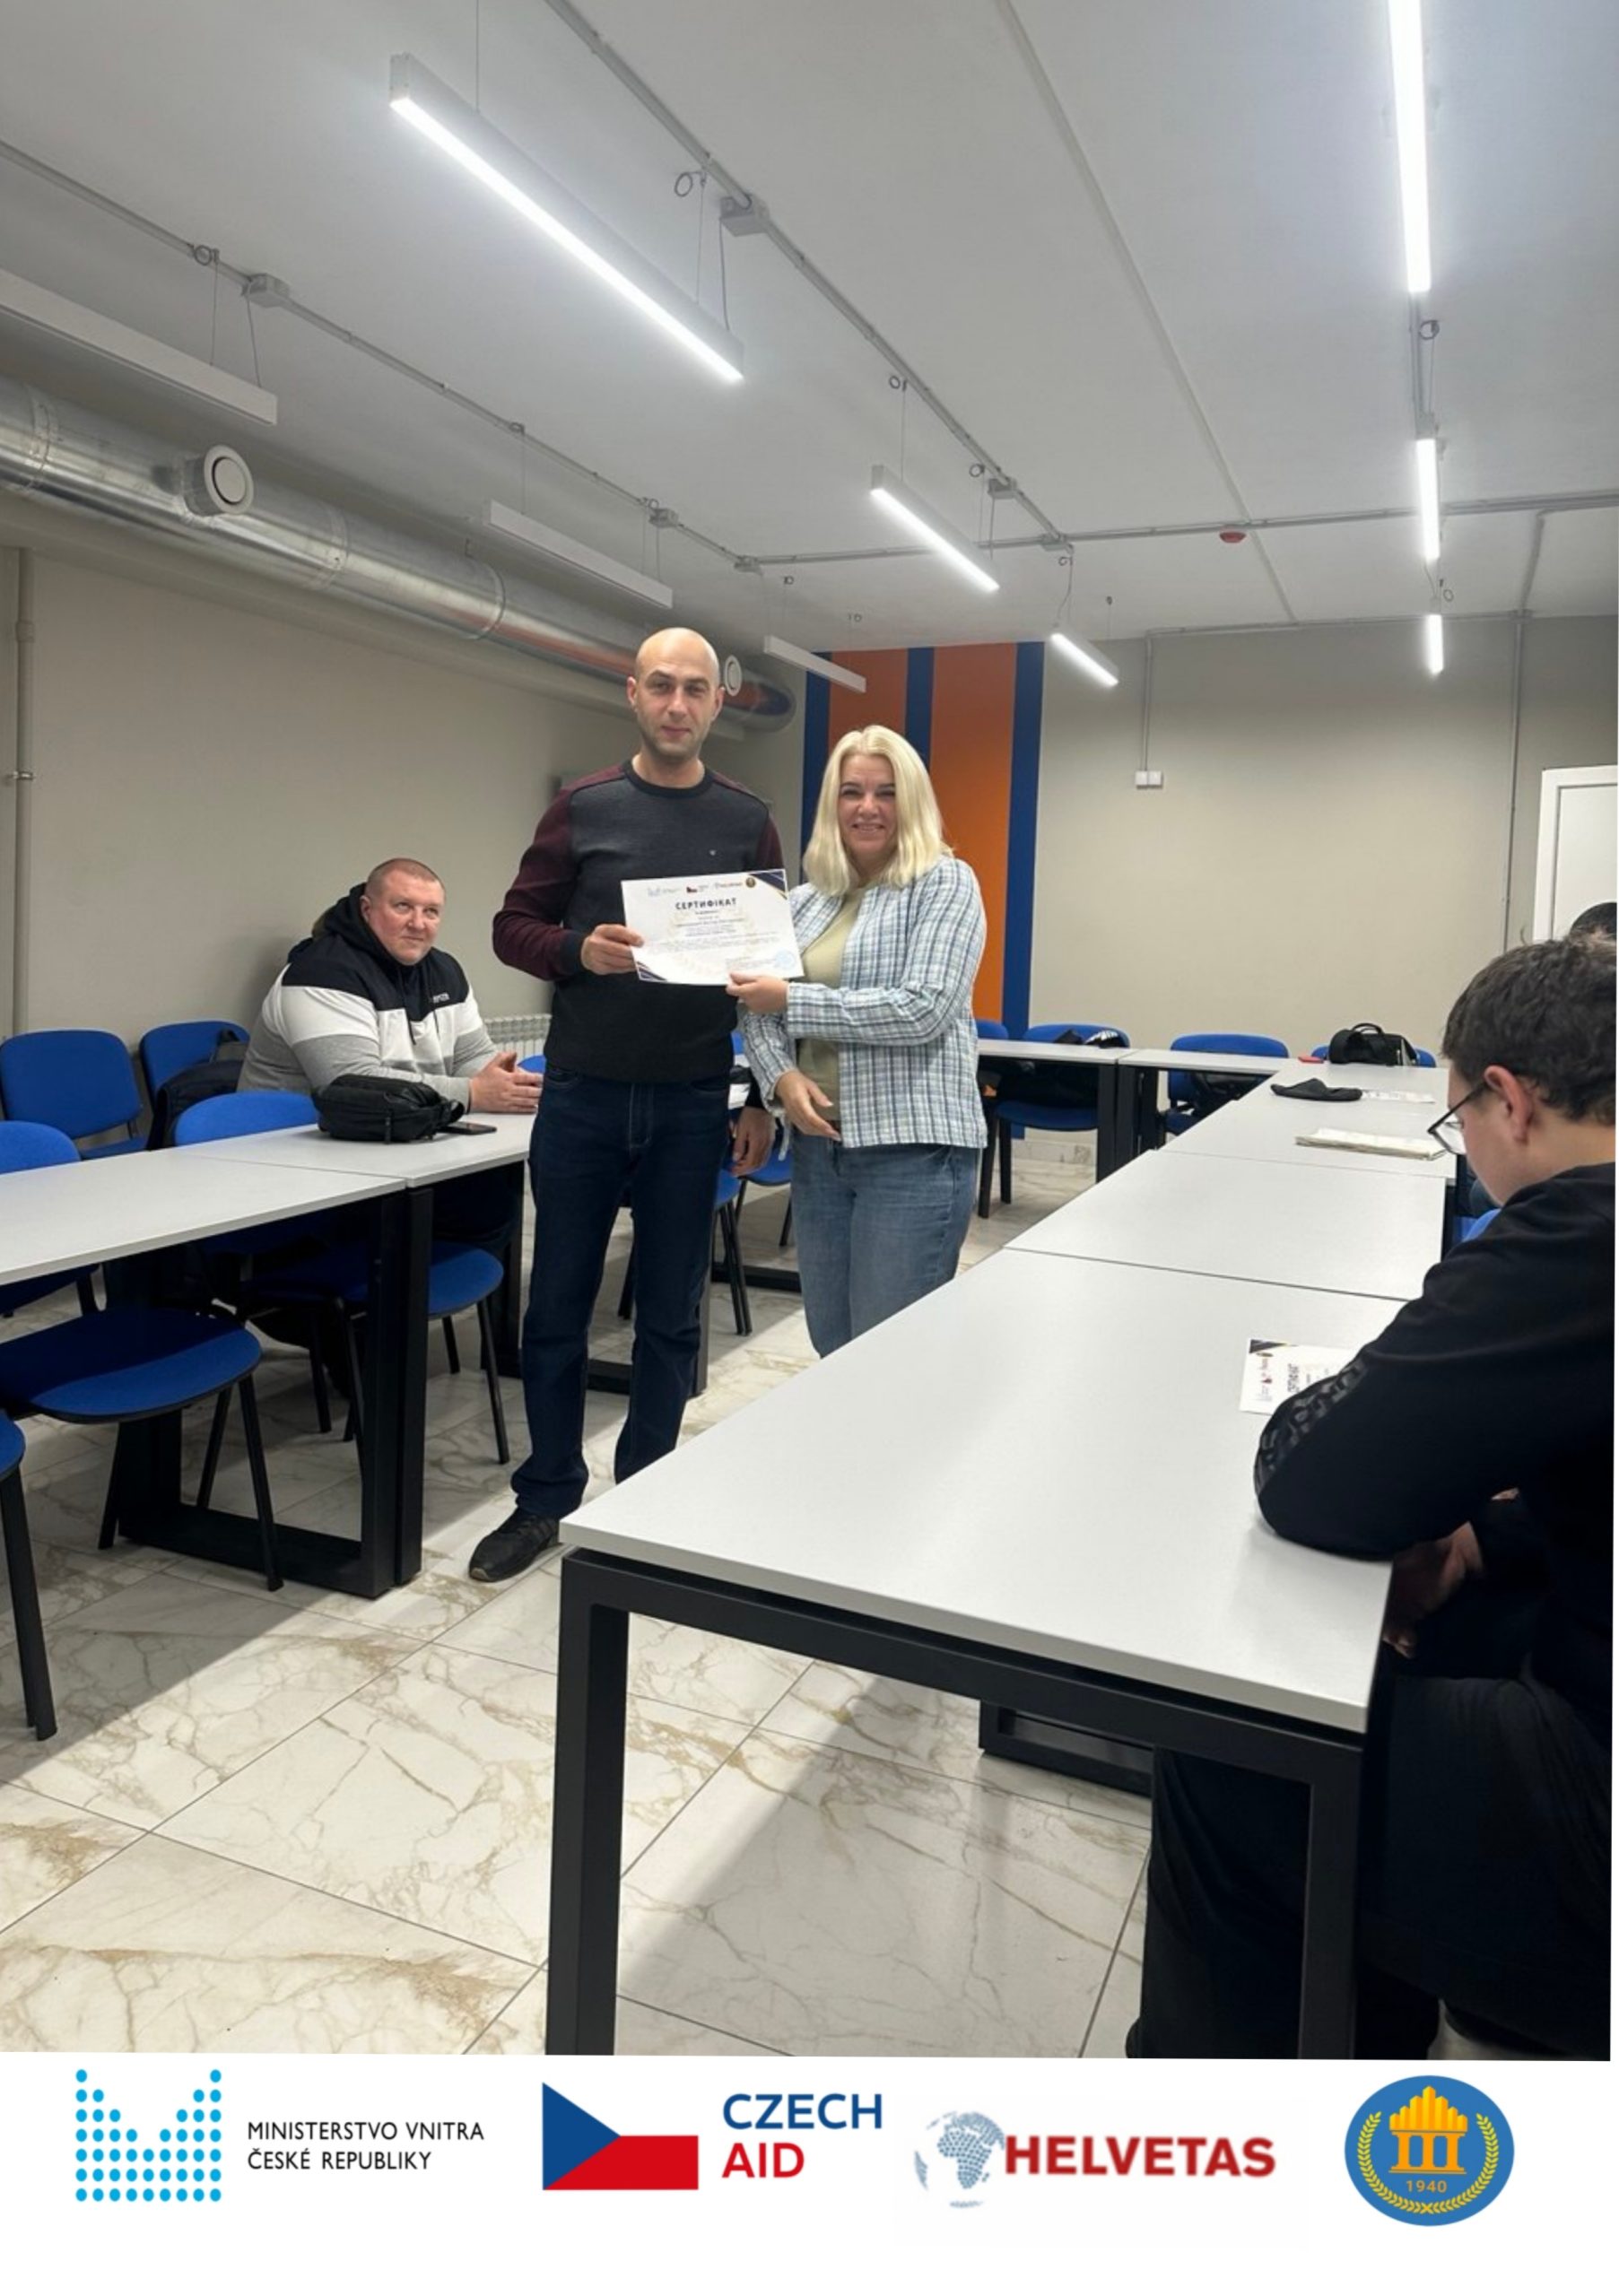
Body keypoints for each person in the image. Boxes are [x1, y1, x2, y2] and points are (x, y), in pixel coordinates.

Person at [1134, 933, 1613, 2057]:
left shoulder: (1579, 1233)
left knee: (1234, 1737)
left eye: (1459, 1124)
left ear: (1507, 1101)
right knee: (1438, 1624)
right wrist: (1482, 1538)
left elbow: (1311, 1478)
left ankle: (1223, 2118)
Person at [474, 629, 778, 1583]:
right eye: (661, 686)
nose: (677, 704)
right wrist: (576, 951)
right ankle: (544, 1496)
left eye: (694, 689)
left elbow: (764, 976)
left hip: (692, 1100)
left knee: (671, 1315)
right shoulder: (583, 807)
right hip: (583, 1098)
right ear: (633, 695)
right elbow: (511, 927)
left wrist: (761, 1094)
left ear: (717, 703)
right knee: (556, 1308)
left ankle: (647, 1496)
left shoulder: (748, 820)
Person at [732, 726, 986, 1357]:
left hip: (913, 1153)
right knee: (833, 1344)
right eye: (851, 792)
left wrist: (793, 1000)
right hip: (820, 1152)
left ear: (912, 802)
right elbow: (754, 1010)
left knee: (889, 1355)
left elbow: (923, 1010)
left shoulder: (946, 884)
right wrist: (781, 1078)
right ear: (832, 804)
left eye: (886, 792)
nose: (867, 807)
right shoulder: (800, 903)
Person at [240, 858, 541, 1118]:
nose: (418, 923)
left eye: (431, 911)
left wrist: (511, 1085)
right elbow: (351, 1082)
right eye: (403, 907)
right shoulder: (322, 971)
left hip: (397, 1130)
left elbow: (470, 1056)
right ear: (367, 909)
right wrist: (472, 1093)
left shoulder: (446, 971)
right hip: (285, 1142)